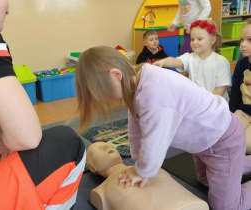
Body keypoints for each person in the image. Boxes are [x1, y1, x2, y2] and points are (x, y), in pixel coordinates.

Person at [75, 45, 251, 210]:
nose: (105, 101)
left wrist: (143, 171)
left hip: (222, 141)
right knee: (205, 181)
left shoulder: (154, 95)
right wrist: (138, 163)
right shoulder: (136, 80)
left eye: (102, 94)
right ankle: (237, 164)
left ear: (115, 75)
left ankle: (232, 165)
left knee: (227, 206)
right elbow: (136, 126)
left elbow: (155, 141)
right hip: (203, 143)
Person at [0, 0, 85, 209]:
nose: (9, 8)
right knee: (67, 143)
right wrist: (7, 132)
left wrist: (2, 131)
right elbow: (26, 136)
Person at [87, 142, 209, 210]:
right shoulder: (101, 191)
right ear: (92, 167)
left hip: (193, 204)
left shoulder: (147, 165)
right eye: (99, 148)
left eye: (110, 146)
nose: (107, 147)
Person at [154, 20, 231, 101]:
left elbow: (221, 89)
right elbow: (176, 61)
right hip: (197, 103)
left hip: (215, 105)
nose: (194, 42)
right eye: (192, 39)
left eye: (199, 39)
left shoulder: (221, 62)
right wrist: (162, 62)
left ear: (212, 40)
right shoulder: (190, 57)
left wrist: (206, 101)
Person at [229, 19, 251, 154]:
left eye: (249, 40)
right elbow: (235, 92)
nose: (243, 45)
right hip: (242, 111)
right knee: (227, 138)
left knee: (247, 145)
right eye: (241, 40)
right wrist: (230, 116)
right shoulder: (241, 64)